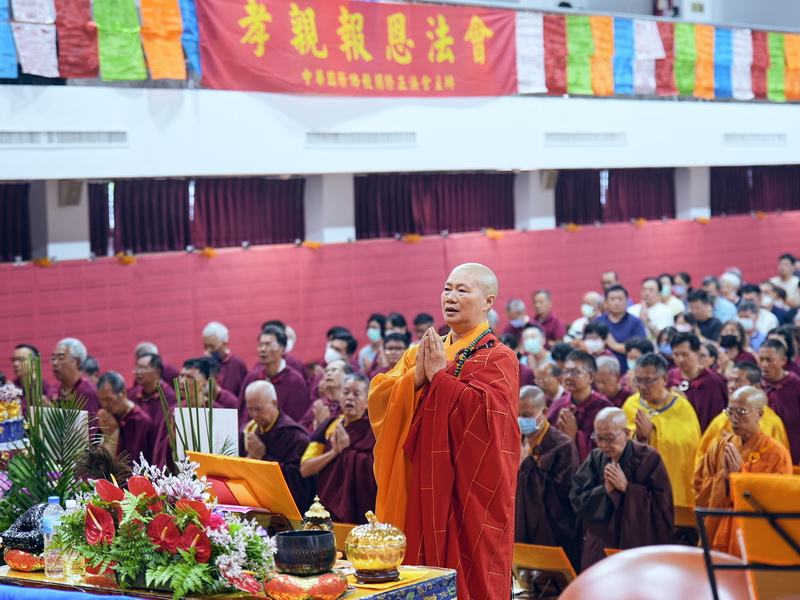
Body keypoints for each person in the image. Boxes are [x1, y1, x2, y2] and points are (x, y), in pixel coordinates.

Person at [369, 263, 519, 599]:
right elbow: (380, 396)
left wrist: (441, 380)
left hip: (462, 494)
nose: (450, 297)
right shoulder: (424, 351)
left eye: (462, 290)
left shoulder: (498, 357)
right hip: (415, 481)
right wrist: (418, 378)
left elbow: (491, 427)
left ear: (488, 301)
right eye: (447, 288)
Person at [570, 407, 673, 571]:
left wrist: (628, 488)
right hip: (601, 541)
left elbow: (662, 507)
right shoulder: (595, 458)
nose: (604, 444)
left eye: (610, 438)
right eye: (599, 438)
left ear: (626, 433)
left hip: (636, 539)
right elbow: (577, 499)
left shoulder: (649, 458)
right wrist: (605, 491)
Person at [693, 386, 793, 556]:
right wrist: (723, 481)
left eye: (741, 412)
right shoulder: (720, 447)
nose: (734, 419)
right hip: (717, 532)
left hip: (754, 539)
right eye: (730, 412)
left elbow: (780, 503)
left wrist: (740, 478)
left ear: (760, 414)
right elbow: (698, 486)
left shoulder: (776, 454)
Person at [621, 354, 700, 508]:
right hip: (641, 489)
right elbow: (619, 443)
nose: (643, 386)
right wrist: (640, 437)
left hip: (676, 483)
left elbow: (691, 446)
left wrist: (655, 431)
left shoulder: (682, 407)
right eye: (638, 380)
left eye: (649, 380)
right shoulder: (631, 405)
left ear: (664, 379)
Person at [516, 386, 581, 569]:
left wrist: (528, 467)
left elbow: (564, 494)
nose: (521, 420)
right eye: (517, 414)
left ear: (544, 412)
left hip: (551, 533)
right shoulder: (513, 439)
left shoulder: (562, 446)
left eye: (527, 414)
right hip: (519, 527)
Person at [301, 374, 377, 524]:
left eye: (356, 394)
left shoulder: (373, 429)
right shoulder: (328, 425)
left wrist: (348, 452)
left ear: (368, 401)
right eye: (346, 392)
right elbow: (305, 469)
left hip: (359, 504)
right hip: (326, 502)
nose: (349, 398)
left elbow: (375, 468)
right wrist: (334, 452)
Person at [695, 362, 790, 463]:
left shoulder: (771, 422)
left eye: (738, 382)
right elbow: (701, 458)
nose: (731, 386)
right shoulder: (721, 420)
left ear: (756, 387)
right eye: (730, 381)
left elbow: (777, 462)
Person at [241, 380, 313, 511]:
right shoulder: (249, 431)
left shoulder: (295, 436)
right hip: (255, 503)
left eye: (259, 409)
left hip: (286, 510)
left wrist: (264, 457)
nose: (254, 415)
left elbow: (299, 482)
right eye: (250, 409)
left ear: (274, 403)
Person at [239, 326, 310, 427]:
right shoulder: (252, 377)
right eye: (260, 345)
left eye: (268, 345)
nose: (263, 349)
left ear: (282, 349)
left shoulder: (294, 381)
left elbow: (297, 420)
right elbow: (241, 413)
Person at [548, 351, 612, 462]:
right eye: (566, 371)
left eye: (575, 372)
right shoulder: (558, 405)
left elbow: (606, 450)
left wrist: (574, 437)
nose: (568, 377)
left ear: (591, 377)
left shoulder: (604, 409)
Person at [668, 332, 728, 432]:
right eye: (676, 355)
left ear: (698, 352)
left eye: (685, 354)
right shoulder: (669, 378)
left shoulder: (714, 382)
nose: (680, 360)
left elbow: (719, 419)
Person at [96, 371, 155, 465]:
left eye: (108, 399)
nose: (105, 405)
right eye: (101, 400)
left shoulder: (141, 421)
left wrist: (115, 433)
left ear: (123, 393)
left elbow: (137, 461)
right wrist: (108, 436)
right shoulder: (106, 417)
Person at [759, 338, 800, 463]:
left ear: (783, 360)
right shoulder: (757, 386)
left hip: (792, 456)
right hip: (761, 456)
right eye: (761, 359)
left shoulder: (796, 386)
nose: (764, 365)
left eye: (770, 360)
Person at [594, 285, 647, 372]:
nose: (617, 302)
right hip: (601, 372)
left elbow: (640, 350)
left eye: (620, 299)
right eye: (613, 299)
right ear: (606, 302)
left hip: (628, 371)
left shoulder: (636, 322)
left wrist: (614, 345)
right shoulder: (597, 322)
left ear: (627, 301)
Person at [49, 338, 100, 416]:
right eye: (53, 358)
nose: (55, 363)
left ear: (78, 362)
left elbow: (90, 426)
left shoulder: (88, 393)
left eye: (61, 358)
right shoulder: (55, 389)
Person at [299, 359, 350, 433]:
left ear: (347, 376)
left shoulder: (349, 403)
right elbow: (302, 430)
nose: (329, 374)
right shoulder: (319, 404)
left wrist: (325, 423)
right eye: (326, 371)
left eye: (335, 370)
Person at [202, 321, 249, 396]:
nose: (208, 350)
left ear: (224, 343)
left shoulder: (236, 363)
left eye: (212, 346)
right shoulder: (203, 363)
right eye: (206, 346)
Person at [129, 353, 178, 424]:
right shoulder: (134, 394)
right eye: (136, 368)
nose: (137, 372)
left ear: (157, 372)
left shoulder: (168, 397)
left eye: (143, 368)